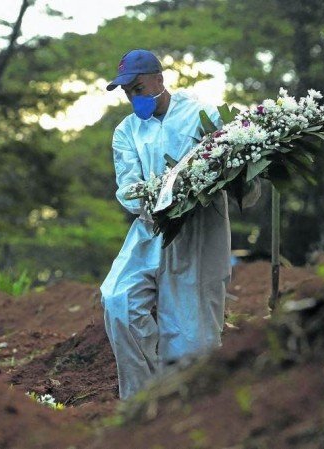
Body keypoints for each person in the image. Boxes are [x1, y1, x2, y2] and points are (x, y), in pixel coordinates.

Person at [100, 49, 260, 400]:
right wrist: (157, 198)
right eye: (128, 93)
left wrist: (242, 176)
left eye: (138, 89)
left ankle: (189, 408)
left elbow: (242, 176)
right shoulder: (126, 131)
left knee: (190, 331)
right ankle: (142, 399)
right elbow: (127, 186)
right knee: (118, 300)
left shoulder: (205, 115)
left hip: (200, 232)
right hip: (151, 229)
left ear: (159, 79)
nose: (134, 98)